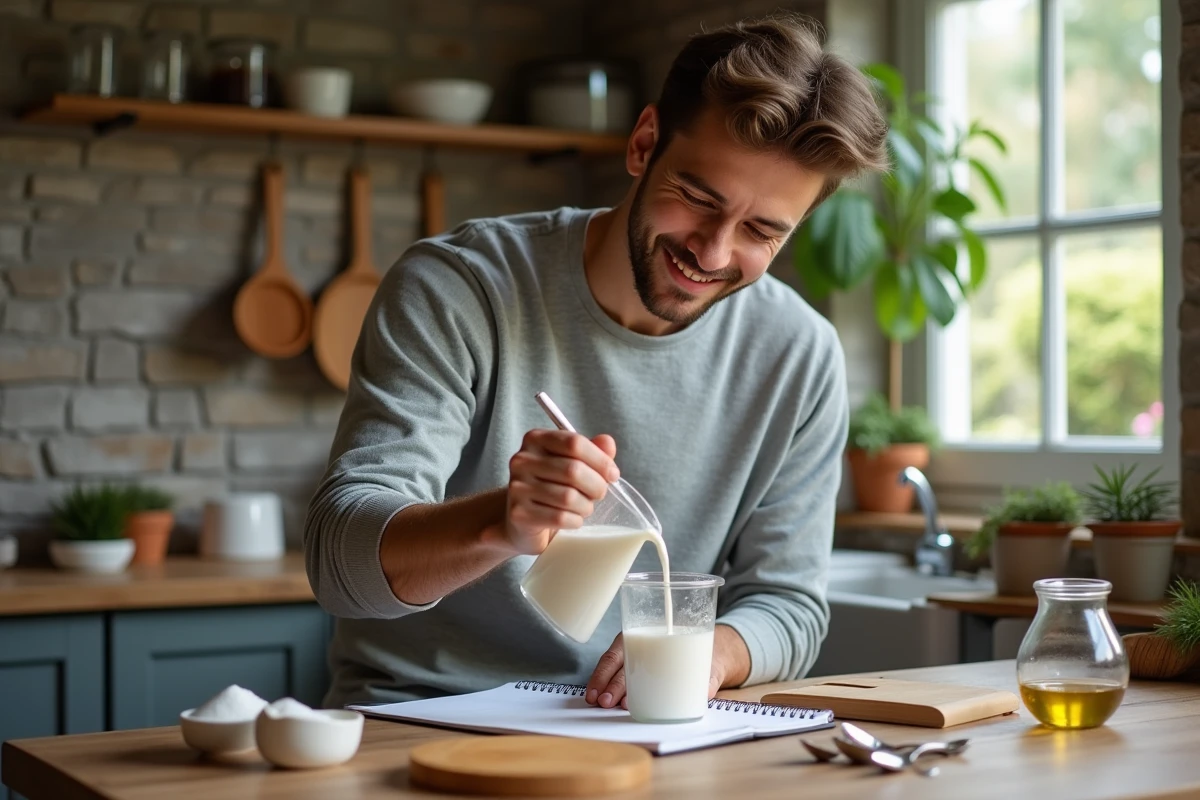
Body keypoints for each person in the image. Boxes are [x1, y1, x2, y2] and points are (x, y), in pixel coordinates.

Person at [304, 12, 889, 710]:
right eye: (698, 198)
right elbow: (339, 566)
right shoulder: (460, 288)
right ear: (644, 145)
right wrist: (503, 524)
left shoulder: (800, 354)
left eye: (762, 232)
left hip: (636, 727)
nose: (713, 252)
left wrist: (717, 651)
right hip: (421, 715)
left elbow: (789, 604)